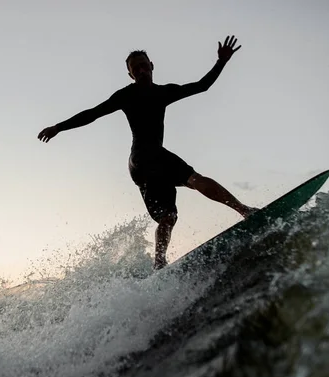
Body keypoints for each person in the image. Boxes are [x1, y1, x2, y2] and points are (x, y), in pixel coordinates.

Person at [38, 35, 257, 270]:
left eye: (144, 65)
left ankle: (159, 264)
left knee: (168, 217)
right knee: (194, 179)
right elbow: (93, 113)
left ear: (152, 66)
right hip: (146, 155)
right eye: (136, 68)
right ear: (130, 75)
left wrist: (221, 61)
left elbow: (201, 86)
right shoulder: (126, 95)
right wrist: (59, 127)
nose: (141, 70)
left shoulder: (164, 92)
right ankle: (245, 211)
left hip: (138, 166)